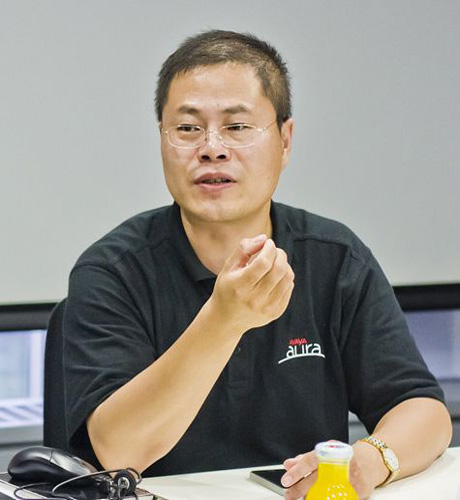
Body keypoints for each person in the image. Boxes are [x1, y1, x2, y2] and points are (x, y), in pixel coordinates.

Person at [62, 30, 452, 499]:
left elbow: (422, 409)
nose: (212, 148)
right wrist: (224, 319)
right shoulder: (112, 270)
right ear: (161, 140)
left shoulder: (334, 257)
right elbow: (119, 450)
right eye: (187, 128)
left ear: (285, 141)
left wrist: (368, 461)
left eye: (237, 126)